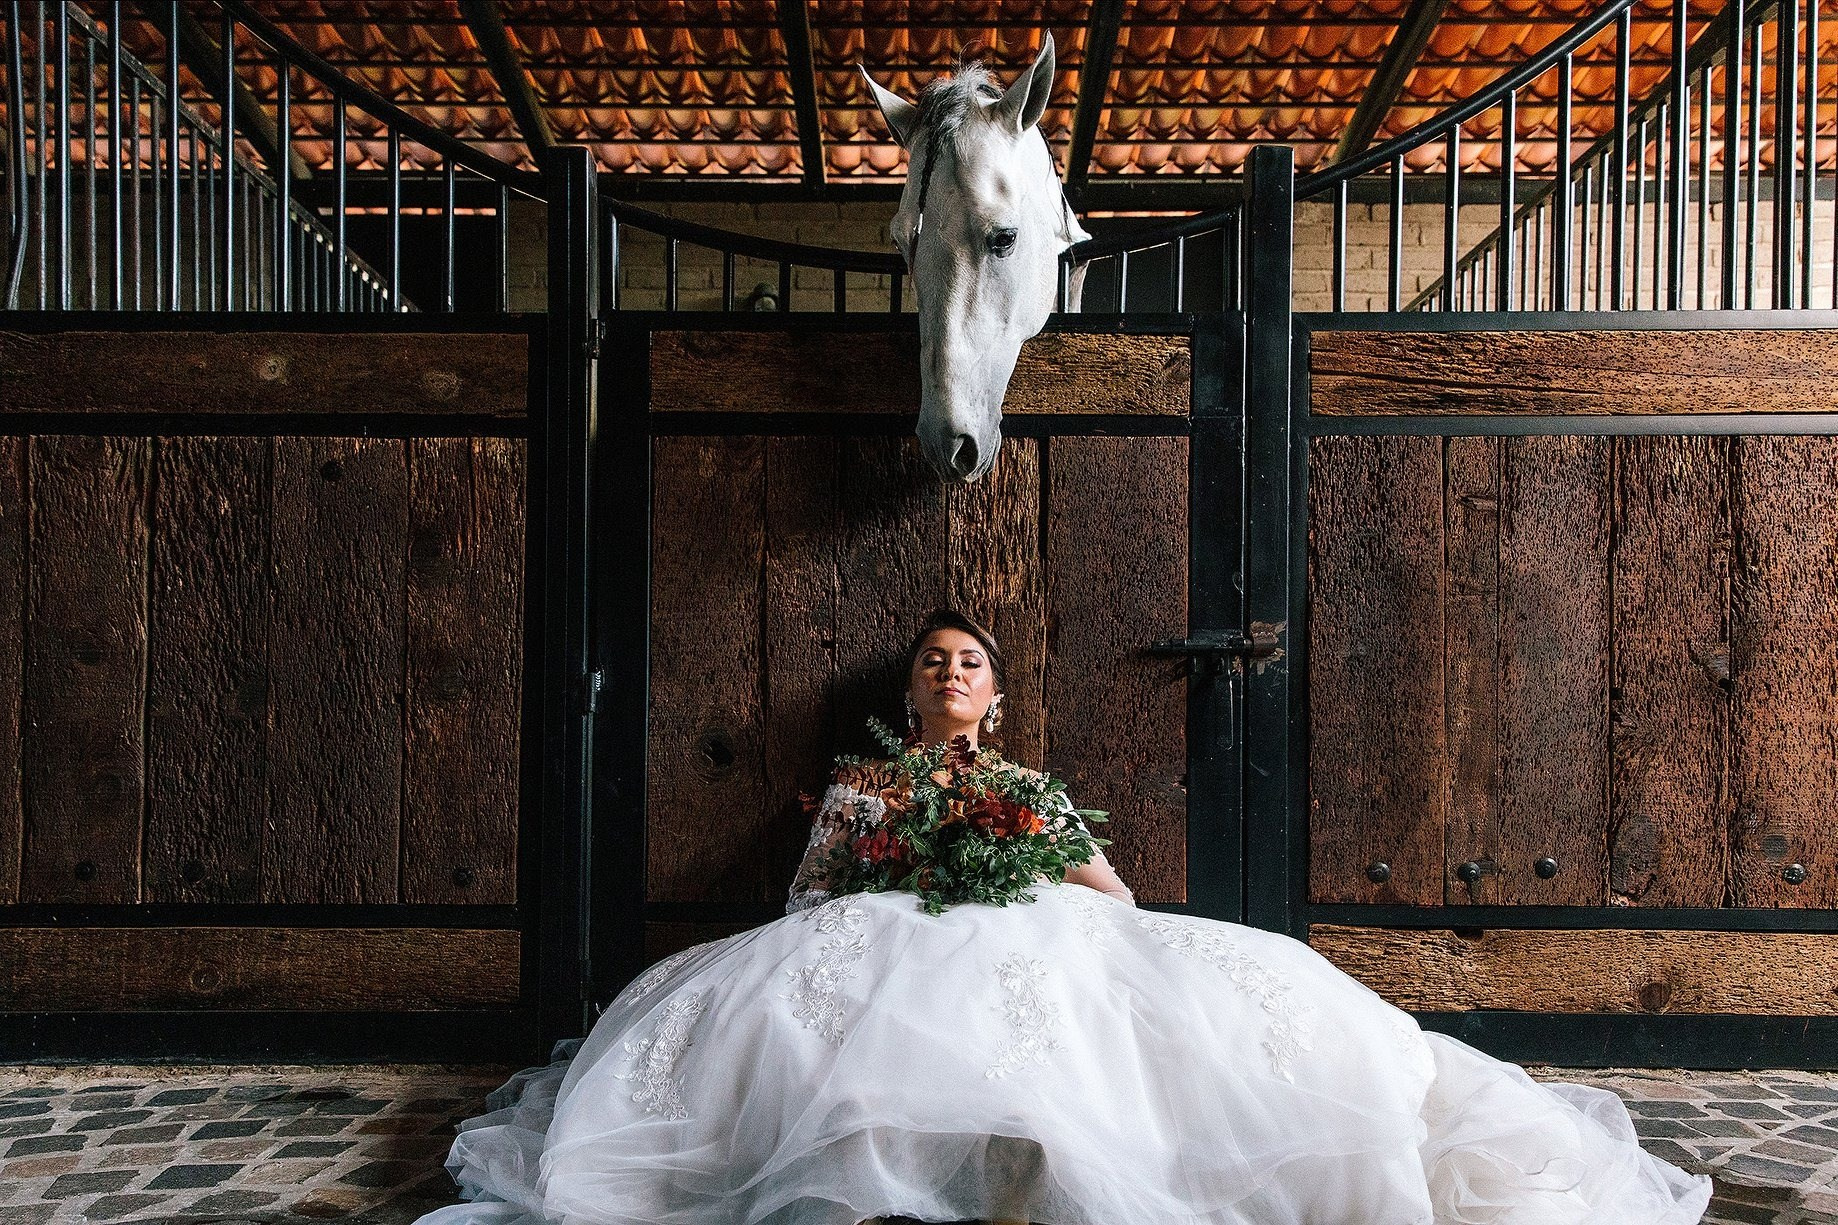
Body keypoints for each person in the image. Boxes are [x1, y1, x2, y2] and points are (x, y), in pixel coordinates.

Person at [420, 609, 1711, 1225]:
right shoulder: (867, 781)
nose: (947, 673)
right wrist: (901, 866)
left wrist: (1017, 860)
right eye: (930, 661)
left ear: (991, 689)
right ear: (908, 688)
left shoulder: (1031, 784)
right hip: (883, 919)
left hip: (1029, 913)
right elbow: (808, 894)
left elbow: (1116, 891)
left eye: (966, 661)